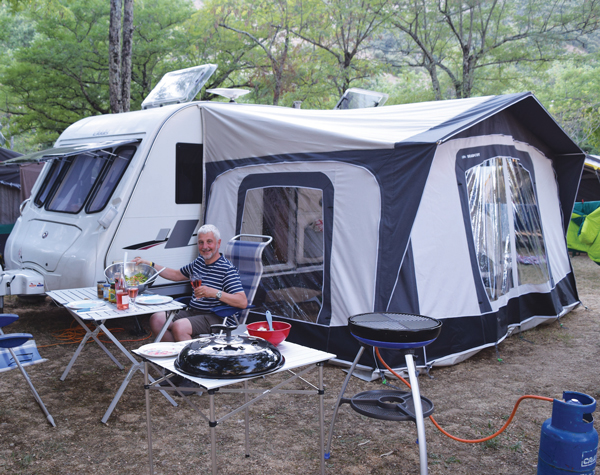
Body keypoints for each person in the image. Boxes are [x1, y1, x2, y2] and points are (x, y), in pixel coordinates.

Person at [133, 224, 247, 342]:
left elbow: (242, 302)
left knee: (180, 327)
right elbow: (176, 275)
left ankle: (189, 358)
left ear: (218, 243)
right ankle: (176, 356)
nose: (205, 246)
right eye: (201, 242)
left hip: (217, 317)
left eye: (209, 242)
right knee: (157, 319)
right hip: (194, 312)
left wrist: (215, 293)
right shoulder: (199, 262)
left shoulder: (227, 269)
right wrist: (151, 264)